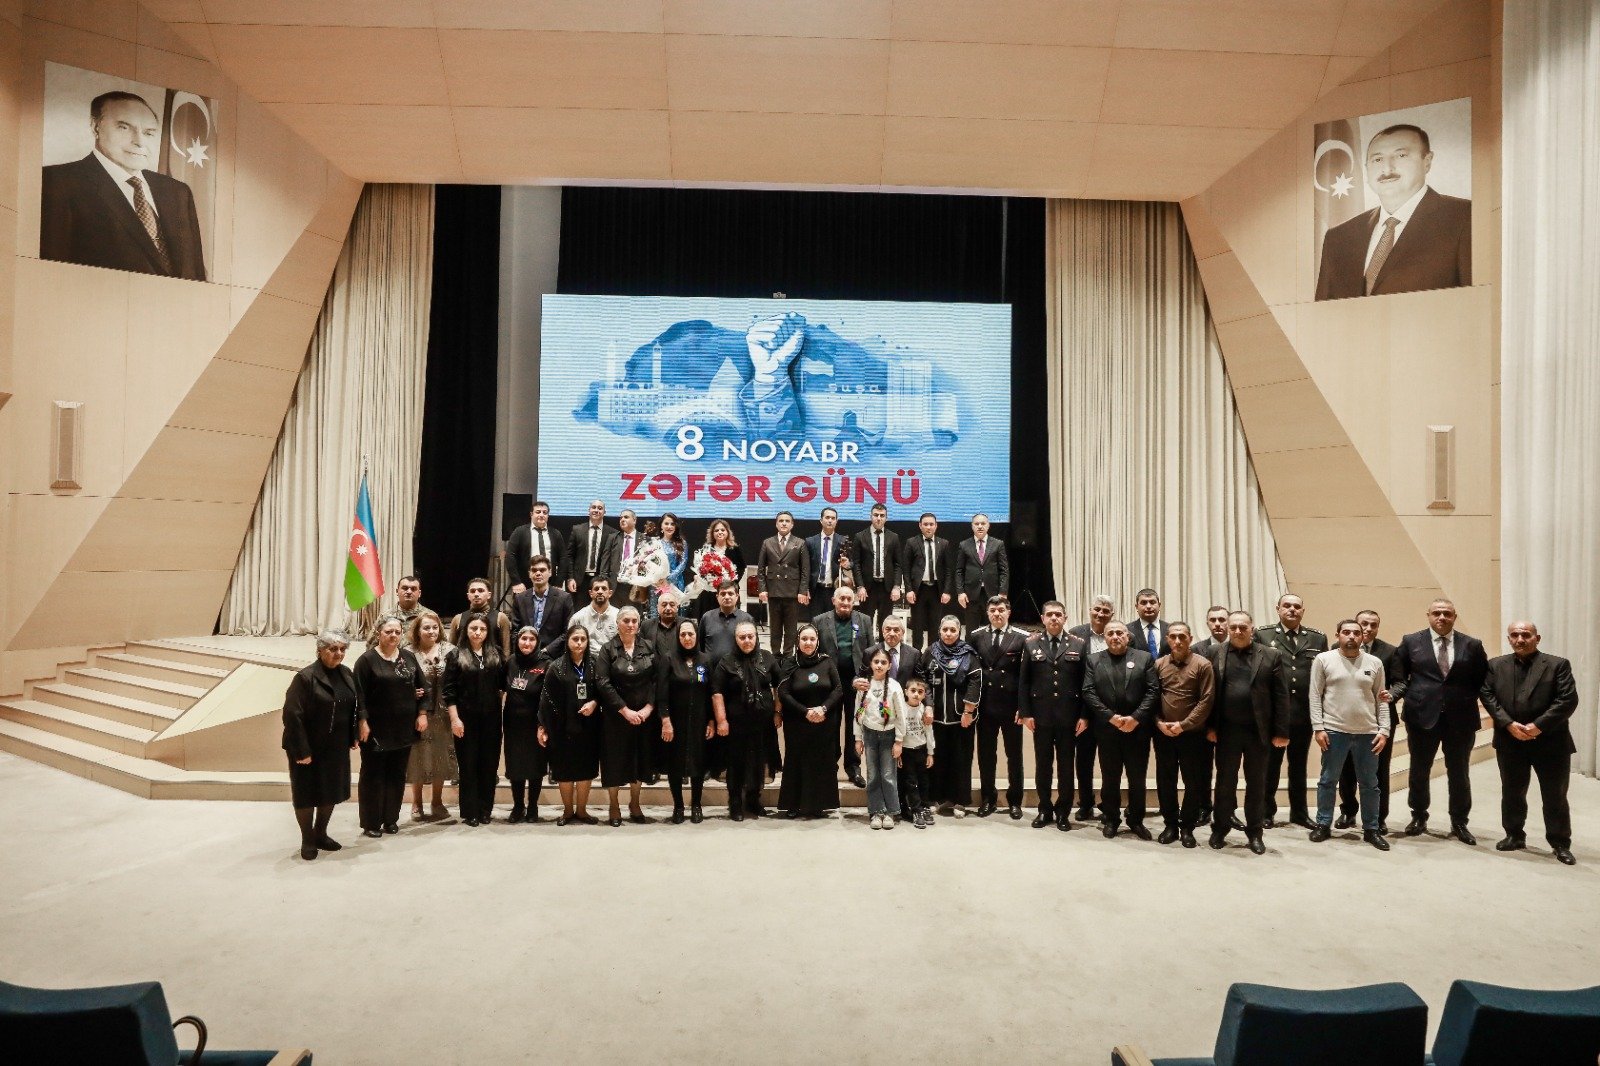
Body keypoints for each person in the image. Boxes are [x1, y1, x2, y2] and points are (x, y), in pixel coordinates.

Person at [41, 91, 208, 279]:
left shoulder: (177, 191)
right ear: (96, 127)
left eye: (148, 133)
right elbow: (50, 274)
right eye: (124, 128)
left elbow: (196, 273)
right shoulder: (56, 182)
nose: (139, 142)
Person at [1315, 123, 1471, 300]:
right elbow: (1322, 312)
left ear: (1427, 162)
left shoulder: (1465, 218)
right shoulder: (1338, 237)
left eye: (1401, 155)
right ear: (1366, 168)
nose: (1387, 169)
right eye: (1377, 159)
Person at [1389, 598, 1489, 844]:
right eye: (1437, 613)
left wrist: (1464, 698)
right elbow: (1400, 677)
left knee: (1459, 772)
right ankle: (1419, 816)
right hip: (1421, 716)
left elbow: (1482, 679)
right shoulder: (1411, 641)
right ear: (1428, 615)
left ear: (1454, 616)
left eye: (1447, 613)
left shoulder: (1472, 645)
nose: (1442, 617)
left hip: (1461, 719)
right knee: (1419, 770)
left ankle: (1459, 822)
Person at [1480, 621, 1578, 865]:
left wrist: (1538, 726)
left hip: (1551, 742)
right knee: (1512, 792)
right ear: (1509, 639)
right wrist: (1508, 724)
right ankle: (1514, 835)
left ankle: (1559, 843)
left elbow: (1567, 699)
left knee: (1555, 795)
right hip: (1510, 741)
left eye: (1526, 634)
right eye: (1515, 635)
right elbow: (1487, 695)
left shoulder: (1557, 665)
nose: (1520, 639)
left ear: (1537, 638)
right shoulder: (1495, 665)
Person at [1205, 611, 1291, 855]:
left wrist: (1281, 731)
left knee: (1257, 784)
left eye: (1243, 627)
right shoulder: (1214, 652)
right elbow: (1208, 694)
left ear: (1252, 628)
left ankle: (1255, 832)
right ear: (1228, 629)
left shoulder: (1271, 655)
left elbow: (1281, 696)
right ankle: (1220, 828)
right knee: (1224, 783)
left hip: (1258, 732)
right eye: (1233, 627)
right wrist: (1210, 727)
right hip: (1226, 731)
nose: (1238, 631)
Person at [1307, 620, 1391, 851]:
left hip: (1367, 733)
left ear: (1362, 637)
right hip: (1334, 731)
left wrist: (1384, 730)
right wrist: (1318, 727)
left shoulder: (1374, 662)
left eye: (1356, 633)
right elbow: (1315, 695)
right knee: (1328, 781)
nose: (1351, 636)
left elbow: (1381, 698)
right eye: (1346, 632)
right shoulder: (1323, 659)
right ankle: (1323, 824)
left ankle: (1371, 829)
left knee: (1370, 784)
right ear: (1338, 635)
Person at [282, 629, 358, 861]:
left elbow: (352, 707)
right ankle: (307, 839)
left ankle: (321, 833)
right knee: (306, 793)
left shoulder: (346, 673)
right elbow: (292, 715)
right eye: (333, 649)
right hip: (308, 747)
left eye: (342, 649)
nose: (339, 653)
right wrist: (302, 750)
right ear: (320, 650)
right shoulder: (305, 678)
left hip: (335, 746)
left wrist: (352, 734)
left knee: (330, 791)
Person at [1255, 593, 1328, 829]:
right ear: (1278, 609)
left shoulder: (1317, 638)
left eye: (1297, 606)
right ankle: (1266, 812)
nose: (1292, 610)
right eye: (1287, 606)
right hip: (1274, 715)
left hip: (1302, 714)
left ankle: (1299, 813)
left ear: (1303, 611)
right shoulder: (1263, 635)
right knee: (1270, 767)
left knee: (1299, 767)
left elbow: (1323, 676)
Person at [1081, 621, 1159, 840]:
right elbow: (1088, 691)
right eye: (1110, 633)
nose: (1115, 636)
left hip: (1137, 730)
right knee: (1110, 778)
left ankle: (1136, 820)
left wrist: (1135, 718)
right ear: (1105, 637)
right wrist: (1110, 717)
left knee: (1137, 779)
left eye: (1119, 633)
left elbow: (1153, 691)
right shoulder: (1093, 660)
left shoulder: (1145, 658)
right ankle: (1112, 818)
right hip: (1107, 730)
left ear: (1128, 636)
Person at [352, 616, 425, 839]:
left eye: (397, 632)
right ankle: (371, 822)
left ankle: (391, 819)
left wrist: (422, 713)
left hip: (403, 728)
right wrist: (362, 721)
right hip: (376, 729)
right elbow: (359, 696)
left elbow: (423, 687)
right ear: (378, 633)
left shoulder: (408, 657)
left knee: (396, 775)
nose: (393, 635)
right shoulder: (366, 660)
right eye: (388, 632)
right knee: (373, 776)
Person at [1019, 601, 1089, 831]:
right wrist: (1026, 713)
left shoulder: (1078, 644)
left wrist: (1084, 715)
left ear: (1065, 618)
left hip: (1069, 718)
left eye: (1058, 614)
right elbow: (1024, 681)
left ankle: (1063, 812)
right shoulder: (1031, 643)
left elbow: (1085, 684)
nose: (1054, 618)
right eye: (1049, 615)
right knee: (1043, 766)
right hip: (1041, 717)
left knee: (1066, 767)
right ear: (1042, 618)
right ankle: (1044, 809)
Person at [1336, 609, 1405, 831]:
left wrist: (1391, 695)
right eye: (1364, 624)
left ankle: (1378, 817)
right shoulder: (1336, 649)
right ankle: (1348, 811)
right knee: (1346, 769)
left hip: (1379, 721)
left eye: (1373, 625)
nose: (1368, 628)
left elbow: (1401, 682)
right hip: (1346, 719)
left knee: (1379, 771)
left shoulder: (1390, 651)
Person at [1151, 622, 1214, 848]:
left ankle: (1187, 827)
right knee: (1165, 781)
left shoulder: (1203, 665)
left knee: (1193, 782)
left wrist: (1184, 725)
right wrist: (1158, 723)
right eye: (1173, 637)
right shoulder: (1159, 664)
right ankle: (1170, 825)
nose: (1178, 641)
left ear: (1190, 638)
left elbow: (1206, 700)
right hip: (1164, 734)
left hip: (1192, 735)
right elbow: (1152, 697)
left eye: (1182, 637)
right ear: (1167, 639)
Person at [595, 605, 657, 826]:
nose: (631, 625)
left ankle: (635, 803)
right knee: (614, 761)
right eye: (626, 621)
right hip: (616, 717)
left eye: (634, 621)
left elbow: (657, 680)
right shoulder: (607, 649)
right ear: (617, 624)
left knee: (639, 760)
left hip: (643, 716)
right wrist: (624, 710)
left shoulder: (648, 647)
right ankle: (614, 805)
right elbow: (603, 682)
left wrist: (648, 708)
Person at [711, 621, 779, 821]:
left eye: (750, 636)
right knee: (736, 763)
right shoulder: (726, 662)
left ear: (756, 637)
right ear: (736, 639)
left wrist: (777, 712)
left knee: (758, 762)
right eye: (742, 637)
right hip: (736, 725)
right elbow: (716, 692)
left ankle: (753, 800)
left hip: (762, 724)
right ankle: (735, 803)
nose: (747, 640)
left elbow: (780, 685)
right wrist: (721, 720)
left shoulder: (767, 657)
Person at [443, 616, 506, 827]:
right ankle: (470, 811)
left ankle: (485, 810)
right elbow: (449, 691)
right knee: (468, 766)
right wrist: (455, 719)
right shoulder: (455, 655)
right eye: (473, 628)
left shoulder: (496, 654)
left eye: (482, 629)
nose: (478, 632)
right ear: (466, 630)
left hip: (491, 720)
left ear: (488, 632)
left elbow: (502, 685)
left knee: (489, 765)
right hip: (465, 719)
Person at [777, 623, 844, 818]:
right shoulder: (789, 664)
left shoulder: (827, 662)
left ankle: (820, 805)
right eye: (804, 639)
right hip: (797, 722)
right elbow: (783, 692)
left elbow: (838, 689)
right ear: (797, 641)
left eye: (812, 639)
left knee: (821, 762)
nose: (808, 642)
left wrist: (823, 709)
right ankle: (793, 805)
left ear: (817, 642)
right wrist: (805, 712)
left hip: (824, 722)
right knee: (796, 762)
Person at [538, 624, 602, 825]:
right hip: (562, 728)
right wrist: (543, 726)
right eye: (575, 639)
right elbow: (546, 699)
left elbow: (604, 691)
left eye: (583, 639)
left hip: (589, 727)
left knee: (585, 769)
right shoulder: (556, 667)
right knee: (564, 771)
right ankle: (567, 811)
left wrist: (594, 703)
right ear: (567, 641)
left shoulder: (595, 664)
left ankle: (582, 811)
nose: (579, 643)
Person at [971, 595, 1027, 819]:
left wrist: (1023, 707)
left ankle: (1015, 801)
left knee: (1014, 756)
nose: (997, 614)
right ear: (987, 613)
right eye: (993, 610)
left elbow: (1025, 677)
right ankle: (988, 799)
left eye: (1001, 610)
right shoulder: (976, 636)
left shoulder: (1021, 637)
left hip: (1011, 707)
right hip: (985, 705)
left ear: (1008, 612)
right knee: (986, 755)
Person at [812, 586, 872, 788]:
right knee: (831, 724)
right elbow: (815, 652)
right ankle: (830, 766)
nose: (846, 602)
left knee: (854, 725)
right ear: (833, 600)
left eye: (849, 599)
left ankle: (853, 767)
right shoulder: (819, 621)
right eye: (842, 599)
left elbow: (870, 652)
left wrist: (867, 678)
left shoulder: (864, 620)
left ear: (854, 601)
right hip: (830, 683)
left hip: (855, 682)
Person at [923, 615, 983, 816]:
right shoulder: (930, 652)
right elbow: (923, 681)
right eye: (945, 630)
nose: (948, 634)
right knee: (937, 758)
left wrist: (968, 711)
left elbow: (975, 682)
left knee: (961, 759)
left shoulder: (968, 654)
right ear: (939, 631)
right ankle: (937, 798)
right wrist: (928, 706)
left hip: (961, 717)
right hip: (936, 717)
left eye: (953, 630)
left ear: (959, 632)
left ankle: (960, 801)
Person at [658, 619, 714, 823]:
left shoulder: (705, 659)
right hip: (675, 722)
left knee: (698, 764)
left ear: (697, 636)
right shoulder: (668, 658)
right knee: (675, 765)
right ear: (678, 637)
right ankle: (679, 806)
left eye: (691, 634)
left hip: (699, 722)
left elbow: (710, 692)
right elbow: (661, 693)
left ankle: (696, 805)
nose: (687, 638)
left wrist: (711, 721)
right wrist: (665, 721)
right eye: (683, 634)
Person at [405, 609, 456, 821]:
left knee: (440, 756)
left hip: (443, 711)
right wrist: (410, 691)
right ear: (418, 630)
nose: (432, 631)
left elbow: (456, 680)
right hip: (417, 712)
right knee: (417, 756)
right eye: (426, 627)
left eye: (435, 627)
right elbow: (401, 680)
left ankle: (437, 801)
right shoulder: (407, 652)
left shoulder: (449, 650)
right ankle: (416, 802)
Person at [1067, 594, 1115, 821]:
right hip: (1082, 710)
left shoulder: (1121, 634)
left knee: (1109, 762)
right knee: (1084, 760)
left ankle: (1108, 804)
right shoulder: (1075, 634)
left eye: (1105, 611)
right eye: (1097, 609)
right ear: (1090, 610)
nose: (1100, 614)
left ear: (1112, 615)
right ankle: (1086, 803)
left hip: (1111, 710)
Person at [854, 647, 908, 829]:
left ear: (889, 665)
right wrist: (858, 738)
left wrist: (899, 740)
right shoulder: (864, 686)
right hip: (869, 735)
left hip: (889, 736)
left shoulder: (894, 686)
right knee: (872, 775)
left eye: (883, 662)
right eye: (876, 661)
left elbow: (901, 715)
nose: (879, 665)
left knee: (888, 775)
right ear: (870, 664)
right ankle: (876, 811)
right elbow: (858, 713)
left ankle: (891, 811)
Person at [503, 626, 549, 824]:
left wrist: (543, 725)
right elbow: (501, 687)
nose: (527, 643)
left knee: (535, 766)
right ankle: (518, 806)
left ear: (537, 642)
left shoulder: (546, 663)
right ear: (518, 640)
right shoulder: (511, 661)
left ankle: (533, 807)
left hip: (535, 723)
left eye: (531, 639)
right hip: (513, 723)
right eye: (523, 639)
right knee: (515, 766)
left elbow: (548, 698)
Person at [757, 510, 810, 657]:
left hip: (792, 592)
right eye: (781, 521)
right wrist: (762, 588)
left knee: (791, 629)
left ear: (792, 524)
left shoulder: (800, 543)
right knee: (775, 628)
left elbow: (805, 570)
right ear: (776, 524)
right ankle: (775, 656)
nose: (784, 523)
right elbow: (760, 569)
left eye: (787, 521)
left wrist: (802, 590)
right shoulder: (767, 542)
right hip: (774, 590)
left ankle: (788, 656)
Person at [902, 513, 953, 649]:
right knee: (917, 626)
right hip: (918, 590)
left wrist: (947, 591)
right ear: (920, 526)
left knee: (935, 625)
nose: (928, 527)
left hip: (936, 589)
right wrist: (909, 590)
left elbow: (948, 570)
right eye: (925, 524)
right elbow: (906, 569)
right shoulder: (912, 542)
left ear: (936, 526)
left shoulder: (944, 543)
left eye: (931, 524)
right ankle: (916, 656)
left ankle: (932, 655)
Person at [852, 502, 902, 633]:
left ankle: (883, 647)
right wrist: (860, 586)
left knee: (885, 625)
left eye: (882, 515)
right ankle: (865, 647)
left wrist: (897, 586)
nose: (879, 518)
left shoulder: (894, 537)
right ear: (871, 516)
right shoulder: (860, 536)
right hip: (867, 588)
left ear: (886, 518)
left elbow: (898, 564)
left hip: (887, 588)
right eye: (876, 515)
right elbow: (856, 564)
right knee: (864, 624)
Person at [954, 514, 1009, 634]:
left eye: (983, 523)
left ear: (988, 525)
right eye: (976, 524)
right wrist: (960, 592)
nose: (980, 526)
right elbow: (959, 571)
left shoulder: (998, 544)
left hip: (993, 594)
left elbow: (1004, 570)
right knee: (971, 631)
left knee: (995, 628)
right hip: (971, 594)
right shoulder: (964, 545)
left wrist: (1003, 592)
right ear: (972, 526)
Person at [512, 555, 574, 654]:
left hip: (553, 656)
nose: (538, 573)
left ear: (550, 572)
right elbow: (515, 631)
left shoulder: (564, 598)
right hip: (525, 654)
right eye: (534, 570)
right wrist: (525, 649)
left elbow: (568, 631)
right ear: (529, 574)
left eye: (542, 570)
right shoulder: (520, 599)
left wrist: (546, 651)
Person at [897, 678, 936, 828]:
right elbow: (897, 732)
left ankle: (925, 807)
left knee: (924, 782)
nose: (916, 694)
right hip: (906, 752)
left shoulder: (924, 710)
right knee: (911, 782)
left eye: (920, 692)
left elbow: (929, 732)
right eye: (913, 691)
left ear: (924, 695)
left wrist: (930, 753)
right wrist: (898, 753)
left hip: (921, 750)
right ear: (906, 692)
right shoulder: (901, 709)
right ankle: (916, 810)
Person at [504, 500, 566, 593]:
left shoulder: (555, 533)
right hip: (525, 583)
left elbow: (563, 558)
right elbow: (510, 556)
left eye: (544, 512)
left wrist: (559, 583)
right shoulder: (519, 532)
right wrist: (516, 582)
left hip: (551, 582)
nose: (541, 515)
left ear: (548, 516)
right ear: (531, 514)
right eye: (538, 512)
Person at [690, 518, 744, 619]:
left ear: (727, 532)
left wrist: (730, 582)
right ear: (712, 533)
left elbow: (741, 568)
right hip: (708, 592)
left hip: (727, 590)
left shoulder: (734, 549)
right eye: (716, 530)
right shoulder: (706, 548)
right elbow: (700, 567)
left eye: (722, 530)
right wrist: (702, 578)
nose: (720, 532)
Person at [566, 499, 620, 596]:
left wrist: (611, 582)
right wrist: (570, 578)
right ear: (589, 510)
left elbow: (613, 561)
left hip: (602, 581)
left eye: (600, 508)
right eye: (593, 507)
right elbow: (569, 556)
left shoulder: (613, 533)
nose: (596, 510)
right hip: (580, 580)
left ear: (604, 512)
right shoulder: (577, 530)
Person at [449, 577, 512, 659]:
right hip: (464, 665)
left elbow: (506, 650)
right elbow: (451, 649)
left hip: (493, 665)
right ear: (468, 596)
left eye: (481, 590)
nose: (476, 594)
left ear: (489, 595)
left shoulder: (501, 618)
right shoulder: (458, 619)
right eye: (472, 591)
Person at [805, 506, 850, 612]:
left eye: (833, 518)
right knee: (815, 620)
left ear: (836, 521)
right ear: (821, 520)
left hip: (834, 590)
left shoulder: (843, 540)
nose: (830, 520)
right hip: (815, 590)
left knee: (833, 621)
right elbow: (805, 568)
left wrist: (848, 564)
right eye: (827, 517)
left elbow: (852, 562)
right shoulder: (810, 541)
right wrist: (804, 588)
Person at [570, 576, 621, 647]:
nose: (600, 592)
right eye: (596, 589)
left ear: (610, 593)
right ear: (590, 593)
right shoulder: (578, 618)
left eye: (604, 588)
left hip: (612, 653)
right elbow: (571, 643)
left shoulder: (619, 616)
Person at [613, 509, 645, 603]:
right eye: (621, 518)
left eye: (626, 517)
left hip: (636, 586)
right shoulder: (613, 538)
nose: (622, 519)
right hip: (616, 585)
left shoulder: (644, 538)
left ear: (634, 520)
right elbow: (605, 560)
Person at [1129, 589, 1171, 660]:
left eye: (1152, 602)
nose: (1148, 606)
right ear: (1136, 607)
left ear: (1159, 605)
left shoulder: (1170, 629)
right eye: (1144, 603)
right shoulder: (1127, 630)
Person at [392, 575, 431, 642]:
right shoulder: (384, 617)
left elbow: (442, 644)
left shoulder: (430, 616)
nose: (409, 592)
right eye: (405, 588)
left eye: (413, 589)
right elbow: (374, 644)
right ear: (397, 591)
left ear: (419, 593)